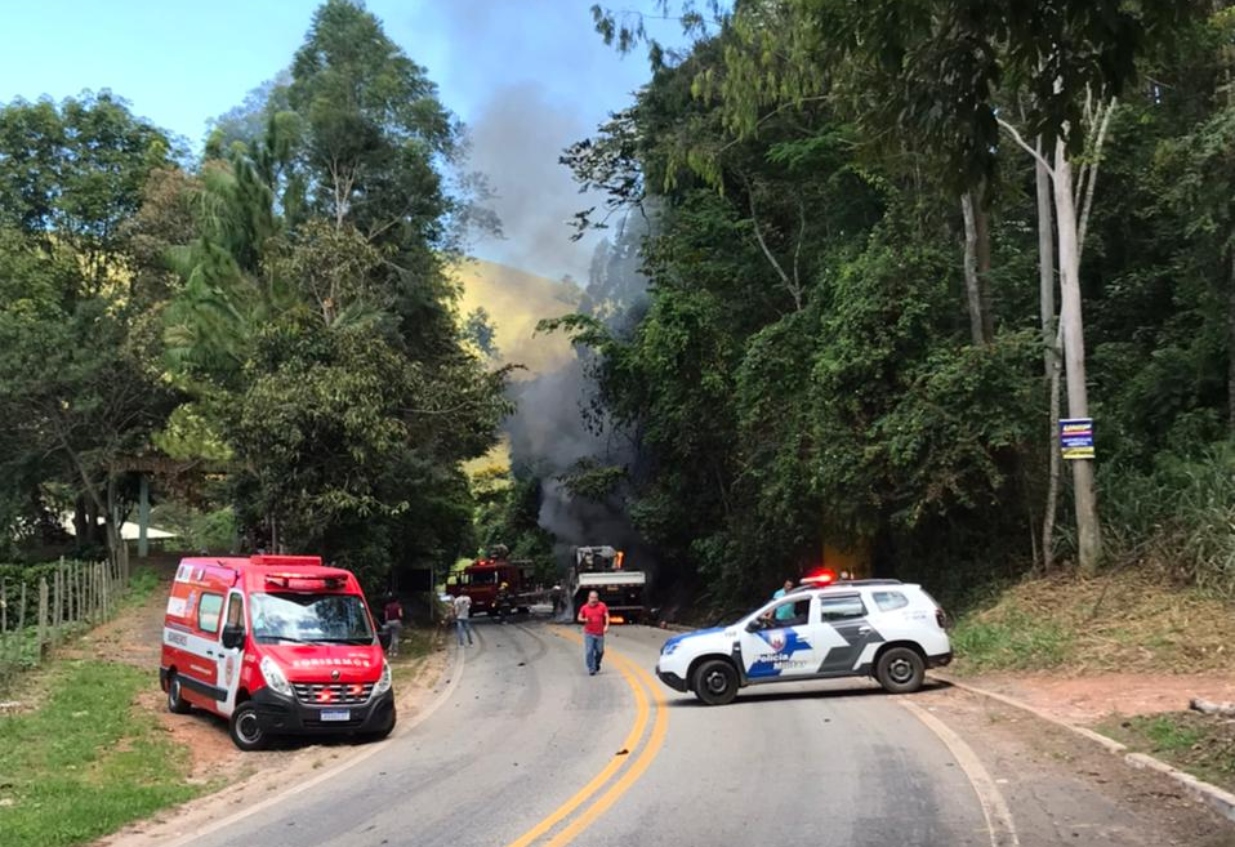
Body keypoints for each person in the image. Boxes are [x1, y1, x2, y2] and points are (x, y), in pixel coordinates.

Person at [577, 590, 610, 675]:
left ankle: (596, 663)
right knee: (589, 651)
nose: (594, 600)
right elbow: (579, 617)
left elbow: (606, 616)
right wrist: (585, 619)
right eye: (592, 597)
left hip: (599, 633)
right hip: (589, 633)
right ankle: (591, 668)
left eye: (595, 598)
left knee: (600, 651)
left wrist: (606, 626)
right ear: (588, 598)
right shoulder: (584, 607)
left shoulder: (602, 606)